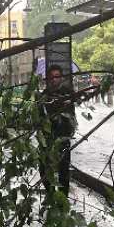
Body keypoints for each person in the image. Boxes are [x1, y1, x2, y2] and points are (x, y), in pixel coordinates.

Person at [41, 63, 76, 194]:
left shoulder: (68, 93)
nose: (54, 79)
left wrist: (67, 102)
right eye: (52, 77)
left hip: (63, 136)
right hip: (48, 137)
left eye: (57, 76)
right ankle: (50, 194)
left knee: (63, 169)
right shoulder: (45, 94)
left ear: (61, 77)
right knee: (44, 168)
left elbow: (72, 108)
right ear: (48, 79)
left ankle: (62, 199)